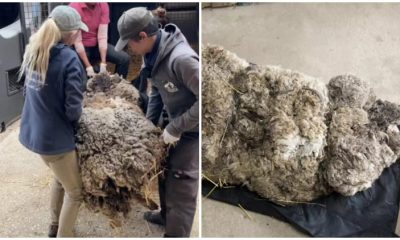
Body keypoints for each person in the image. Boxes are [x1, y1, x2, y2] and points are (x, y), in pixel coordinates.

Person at [115, 7, 199, 237]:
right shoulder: (151, 54)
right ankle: (166, 215)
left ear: (142, 36)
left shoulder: (182, 60)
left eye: (130, 43)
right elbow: (156, 91)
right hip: (171, 120)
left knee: (181, 180)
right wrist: (148, 125)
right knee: (162, 170)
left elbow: (208, 101)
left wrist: (175, 127)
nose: (129, 50)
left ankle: (177, 233)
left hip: (191, 130)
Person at [18, 6, 86, 238]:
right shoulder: (69, 59)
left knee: (60, 177)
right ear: (69, 33)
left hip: (34, 134)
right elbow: (73, 110)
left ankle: (55, 224)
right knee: (76, 193)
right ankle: (63, 234)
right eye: (78, 31)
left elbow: (27, 93)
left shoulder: (34, 50)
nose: (79, 34)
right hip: (55, 141)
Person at [69, 2, 130, 79]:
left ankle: (117, 87)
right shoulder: (74, 7)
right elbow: (77, 42)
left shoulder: (103, 5)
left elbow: (102, 37)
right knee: (85, 79)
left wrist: (103, 63)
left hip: (97, 45)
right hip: (80, 47)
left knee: (124, 59)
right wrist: (88, 67)